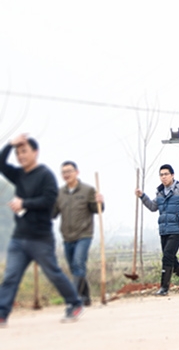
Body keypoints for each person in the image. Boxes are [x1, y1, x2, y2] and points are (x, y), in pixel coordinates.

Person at [0, 134, 84, 326]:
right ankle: (1, 313)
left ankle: (75, 303)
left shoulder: (45, 175)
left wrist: (24, 203)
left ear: (35, 152)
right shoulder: (19, 175)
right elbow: (1, 163)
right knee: (11, 276)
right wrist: (9, 144)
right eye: (18, 153)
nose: (20, 156)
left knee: (53, 272)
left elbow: (49, 200)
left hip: (40, 238)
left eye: (24, 151)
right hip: (19, 238)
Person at [136, 164, 179, 296]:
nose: (164, 177)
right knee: (170, 258)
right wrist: (142, 196)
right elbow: (152, 207)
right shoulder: (161, 193)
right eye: (161, 175)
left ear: (172, 175)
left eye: (166, 174)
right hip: (164, 230)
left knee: (167, 256)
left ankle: (164, 288)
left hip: (178, 229)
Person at [53, 161, 104, 307]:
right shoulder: (59, 193)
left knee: (78, 263)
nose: (67, 174)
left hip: (84, 234)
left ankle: (74, 298)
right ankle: (86, 297)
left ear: (77, 172)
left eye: (69, 171)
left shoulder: (87, 190)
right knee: (74, 268)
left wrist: (100, 201)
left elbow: (97, 209)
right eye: (64, 172)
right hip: (67, 236)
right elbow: (53, 213)